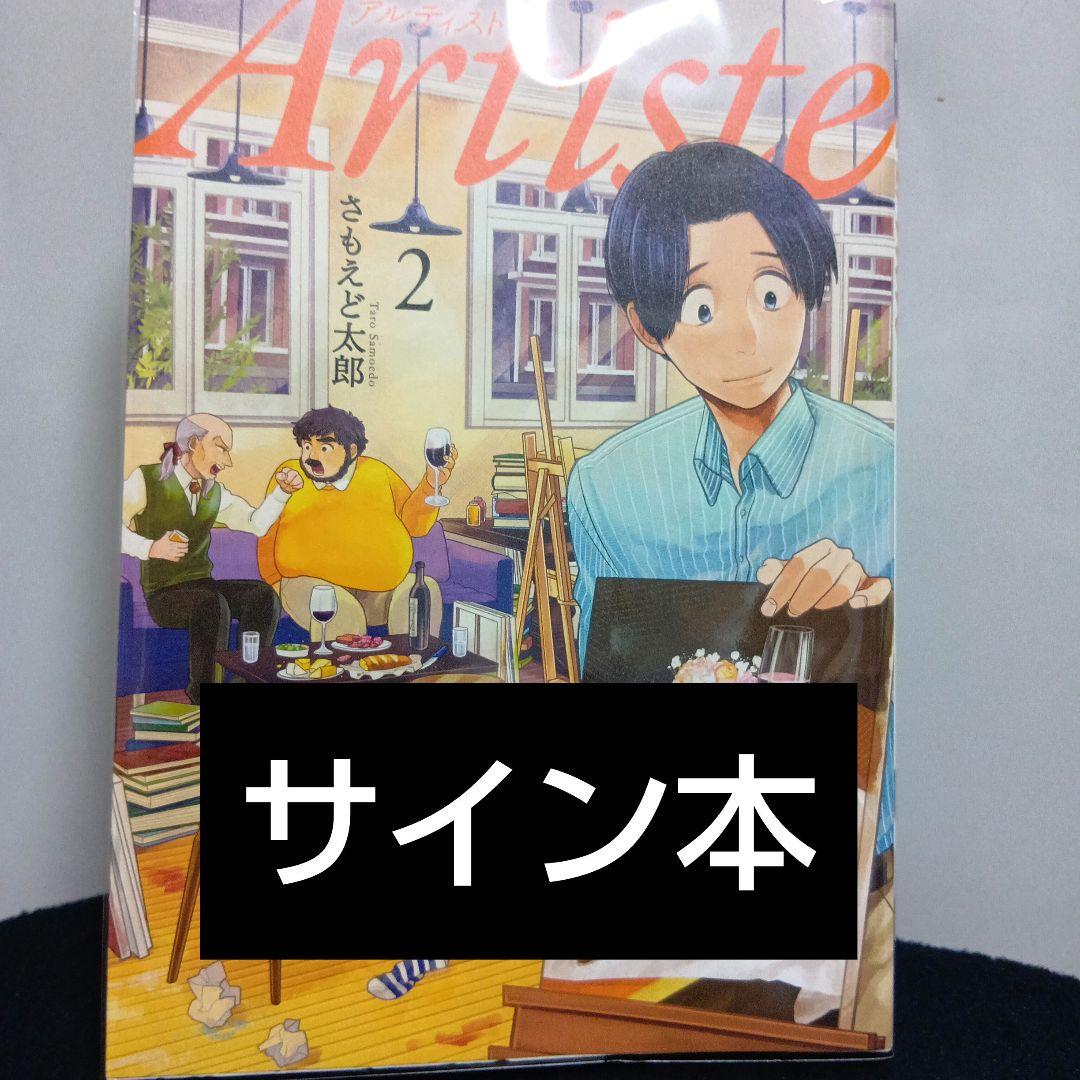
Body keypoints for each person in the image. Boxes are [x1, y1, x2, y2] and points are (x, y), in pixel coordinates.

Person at [566, 140, 894, 856]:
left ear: (806, 292)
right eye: (701, 305)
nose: (748, 335)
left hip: (860, 851)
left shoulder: (891, 471)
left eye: (772, 293)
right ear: (647, 327)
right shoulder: (607, 486)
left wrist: (877, 612)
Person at [121, 413, 302, 703]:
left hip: (203, 586)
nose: (227, 461)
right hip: (163, 595)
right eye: (221, 448)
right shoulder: (146, 480)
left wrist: (282, 493)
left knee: (262, 596)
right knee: (210, 604)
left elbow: (256, 524)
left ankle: (247, 681)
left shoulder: (214, 492)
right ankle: (203, 698)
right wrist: (151, 547)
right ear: (194, 443)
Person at [257, 407, 458, 639]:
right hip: (307, 584)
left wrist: (431, 484)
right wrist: (274, 582)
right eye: (307, 446)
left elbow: (414, 526)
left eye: (324, 448)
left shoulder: (377, 472)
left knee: (423, 592)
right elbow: (267, 531)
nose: (311, 457)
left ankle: (412, 662)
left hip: (378, 591)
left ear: (351, 451)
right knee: (341, 611)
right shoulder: (290, 476)